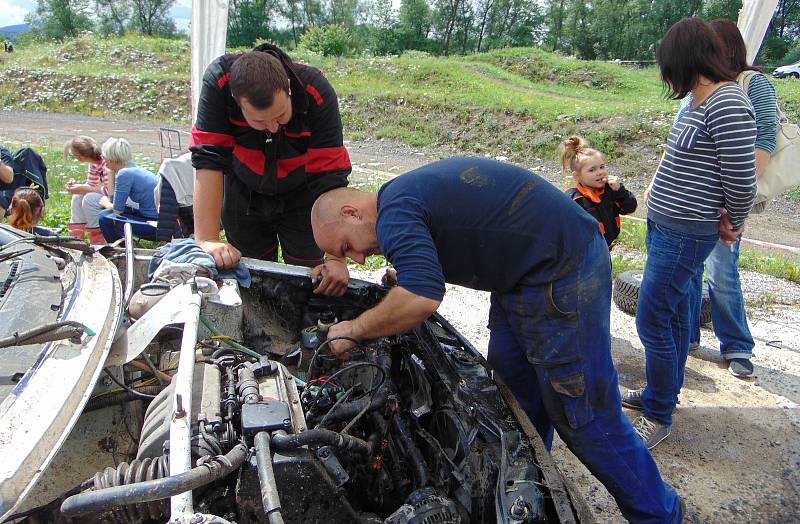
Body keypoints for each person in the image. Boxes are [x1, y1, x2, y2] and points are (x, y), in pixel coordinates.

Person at [311, 157, 684, 523]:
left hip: (563, 268)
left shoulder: (394, 213)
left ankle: (661, 514)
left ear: (352, 212)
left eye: (346, 247)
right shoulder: (399, 200)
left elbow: (420, 297)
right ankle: (525, 501)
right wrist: (407, 274)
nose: (357, 259)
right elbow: (429, 260)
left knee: (583, 415)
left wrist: (353, 329)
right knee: (512, 405)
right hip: (523, 276)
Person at [623, 18, 757, 449]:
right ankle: (661, 394)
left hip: (685, 233)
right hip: (666, 225)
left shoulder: (728, 103)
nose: (666, 77)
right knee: (678, 315)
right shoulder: (699, 102)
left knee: (652, 317)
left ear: (685, 62)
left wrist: (733, 222)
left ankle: (659, 412)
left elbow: (742, 179)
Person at [190, 43, 351, 296]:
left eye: (280, 116)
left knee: (308, 278)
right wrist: (208, 239)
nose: (273, 127)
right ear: (236, 102)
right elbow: (208, 161)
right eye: (259, 121)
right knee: (252, 280)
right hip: (244, 192)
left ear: (288, 89)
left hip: (303, 196)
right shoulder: (219, 82)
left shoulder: (316, 91)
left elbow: (329, 176)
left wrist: (336, 258)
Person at [685, 18, 778, 378]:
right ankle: (688, 335)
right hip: (690, 202)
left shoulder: (754, 84)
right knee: (688, 270)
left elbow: (763, 143)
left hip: (724, 200)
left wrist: (731, 200)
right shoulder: (700, 84)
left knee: (721, 271)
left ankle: (737, 346)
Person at [560, 135, 637, 248]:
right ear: (577, 176)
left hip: (606, 248)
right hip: (586, 252)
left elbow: (630, 208)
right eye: (592, 170)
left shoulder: (611, 190)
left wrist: (619, 190)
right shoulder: (575, 199)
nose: (600, 172)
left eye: (602, 167)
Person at [96, 137, 159, 243]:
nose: (104, 161)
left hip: (155, 224)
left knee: (104, 217)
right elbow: (114, 201)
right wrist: (111, 173)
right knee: (113, 211)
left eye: (105, 158)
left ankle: (118, 250)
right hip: (159, 219)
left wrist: (105, 203)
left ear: (111, 159)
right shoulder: (133, 169)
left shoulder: (124, 174)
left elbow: (117, 210)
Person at [64, 136, 110, 245]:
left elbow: (109, 191)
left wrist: (83, 188)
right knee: (77, 197)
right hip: (107, 193)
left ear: (80, 156)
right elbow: (91, 184)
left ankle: (97, 241)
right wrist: (76, 187)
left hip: (118, 196)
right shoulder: (93, 163)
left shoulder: (106, 161)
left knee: (90, 199)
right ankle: (76, 240)